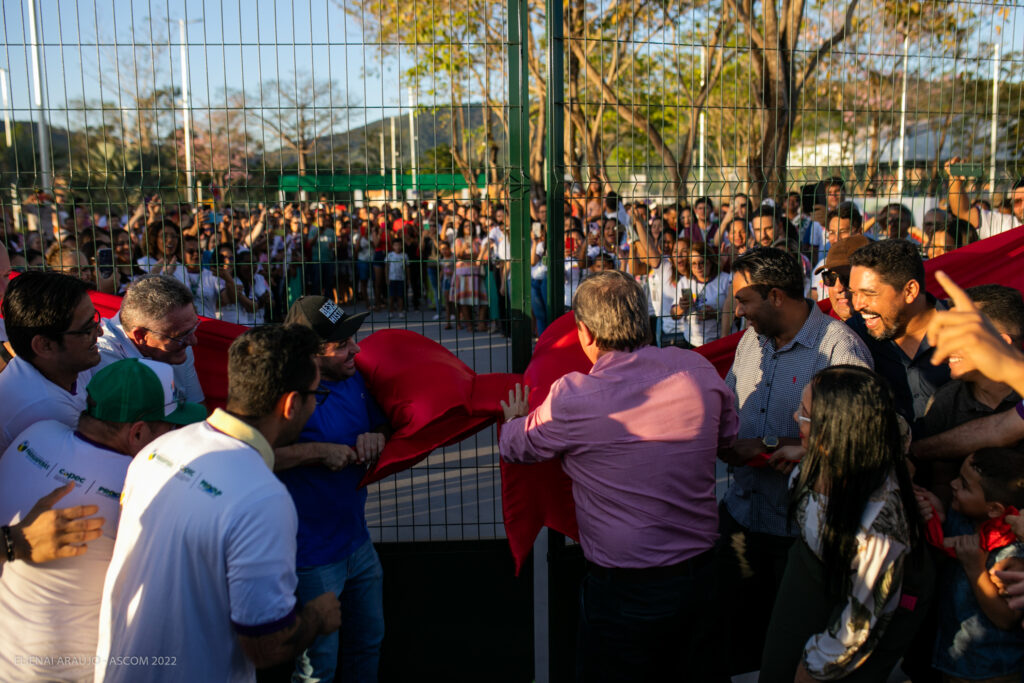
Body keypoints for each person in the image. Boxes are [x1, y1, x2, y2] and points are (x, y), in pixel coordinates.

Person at [499, 270, 739, 681]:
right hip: (700, 581)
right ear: (645, 320)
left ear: (585, 335)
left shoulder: (573, 397)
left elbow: (517, 446)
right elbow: (728, 437)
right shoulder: (698, 371)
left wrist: (513, 420)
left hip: (623, 594)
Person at [95, 325, 341, 682]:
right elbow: (266, 646)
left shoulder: (161, 448)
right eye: (317, 394)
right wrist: (317, 618)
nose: (316, 403)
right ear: (290, 404)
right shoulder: (262, 497)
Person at [715, 247, 872, 677]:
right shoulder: (751, 341)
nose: (738, 310)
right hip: (743, 521)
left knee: (788, 657)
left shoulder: (841, 349)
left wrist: (766, 444)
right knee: (737, 645)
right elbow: (730, 403)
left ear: (777, 296)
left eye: (744, 300)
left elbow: (861, 438)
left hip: (801, 538)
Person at [0, 358, 205, 681]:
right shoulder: (144, 484)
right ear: (137, 433)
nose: (176, 436)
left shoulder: (36, 432)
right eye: (172, 427)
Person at [760, 366, 932, 682]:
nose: (797, 418)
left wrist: (814, 669)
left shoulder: (877, 531)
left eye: (806, 414)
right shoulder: (850, 446)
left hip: (845, 618)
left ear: (837, 429)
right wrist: (809, 448)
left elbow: (859, 626)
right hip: (810, 583)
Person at [277, 296, 387, 682]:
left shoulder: (353, 376)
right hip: (311, 555)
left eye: (352, 338)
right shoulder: (280, 395)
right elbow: (255, 456)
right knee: (317, 667)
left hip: (357, 542)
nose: (355, 348)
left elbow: (382, 424)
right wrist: (316, 452)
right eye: (341, 345)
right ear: (310, 353)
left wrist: (377, 436)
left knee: (368, 642)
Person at [921, 448, 1024, 680]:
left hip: (991, 670)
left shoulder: (1014, 551)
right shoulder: (961, 517)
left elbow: (1006, 619)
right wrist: (938, 519)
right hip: (950, 655)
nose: (954, 484)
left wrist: (976, 569)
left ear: (994, 509)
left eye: (965, 485)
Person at [915, 285, 1024, 502]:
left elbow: (1000, 430)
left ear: (1001, 342)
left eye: (959, 337)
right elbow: (998, 430)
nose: (944, 347)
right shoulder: (946, 401)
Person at [848, 239, 951, 426]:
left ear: (910, 291)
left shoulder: (965, 330)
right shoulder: (853, 335)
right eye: (853, 293)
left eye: (869, 293)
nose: (857, 305)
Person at [0, 271, 103, 453]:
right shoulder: (45, 410)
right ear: (45, 345)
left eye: (95, 318)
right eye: (87, 329)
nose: (100, 332)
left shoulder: (63, 363)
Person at [95, 275, 205, 405]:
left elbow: (197, 408)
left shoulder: (181, 342)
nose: (193, 341)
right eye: (181, 335)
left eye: (193, 328)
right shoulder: (101, 358)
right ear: (140, 336)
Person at [945, 158, 1023, 239]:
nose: (1023, 206)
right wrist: (955, 177)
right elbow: (963, 211)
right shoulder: (1005, 224)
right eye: (1018, 201)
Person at [811, 234, 869, 320]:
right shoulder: (814, 318)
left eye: (847, 278)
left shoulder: (884, 325)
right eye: (830, 278)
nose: (838, 288)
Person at [386, 237, 408, 318]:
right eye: (395, 245)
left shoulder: (404, 256)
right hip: (392, 278)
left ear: (401, 246)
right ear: (392, 246)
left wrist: (408, 279)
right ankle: (390, 311)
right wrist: (386, 278)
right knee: (391, 296)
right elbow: (387, 267)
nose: (397, 247)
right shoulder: (390, 255)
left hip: (401, 279)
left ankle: (400, 311)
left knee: (400, 296)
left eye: (399, 245)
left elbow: (407, 267)